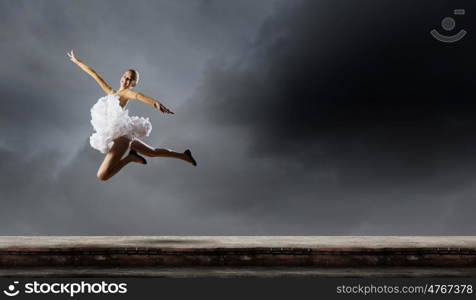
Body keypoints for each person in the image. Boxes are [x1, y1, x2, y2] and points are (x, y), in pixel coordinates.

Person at [67, 50, 196, 181]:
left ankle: (130, 158)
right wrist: (77, 62)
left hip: (121, 138)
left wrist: (155, 103)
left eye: (130, 79)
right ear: (121, 76)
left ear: (133, 84)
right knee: (152, 152)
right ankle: (184, 156)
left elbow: (138, 96)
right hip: (121, 135)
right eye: (125, 76)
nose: (126, 80)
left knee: (102, 175)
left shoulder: (127, 93)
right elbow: (94, 75)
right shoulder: (111, 92)